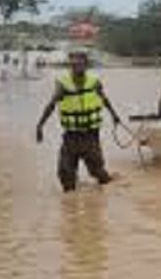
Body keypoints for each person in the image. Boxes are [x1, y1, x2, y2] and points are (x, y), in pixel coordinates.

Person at [36, 50, 122, 193]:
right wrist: (40, 125)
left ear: (86, 65)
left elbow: (104, 99)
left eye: (80, 64)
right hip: (71, 136)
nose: (76, 67)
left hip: (90, 135)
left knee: (97, 172)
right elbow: (51, 105)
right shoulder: (63, 84)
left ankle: (106, 192)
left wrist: (114, 116)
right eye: (73, 64)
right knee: (65, 173)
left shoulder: (94, 82)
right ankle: (70, 205)